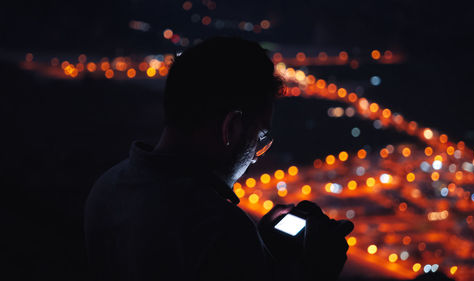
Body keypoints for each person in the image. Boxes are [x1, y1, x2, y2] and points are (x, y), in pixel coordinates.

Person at [84, 36, 353, 281]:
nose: (255, 158)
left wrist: (259, 243)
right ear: (231, 128)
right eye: (259, 137)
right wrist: (318, 270)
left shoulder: (108, 187)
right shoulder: (217, 228)